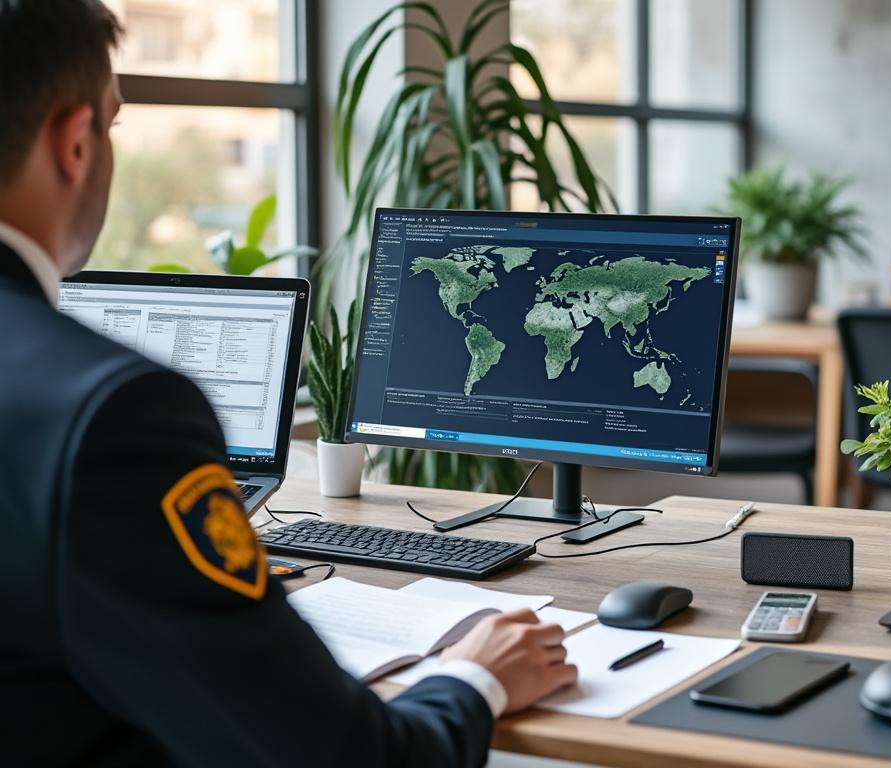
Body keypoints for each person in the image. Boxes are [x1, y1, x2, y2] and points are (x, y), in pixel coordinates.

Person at [0, 2, 577, 766]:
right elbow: (342, 755)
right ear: (75, 143)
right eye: (113, 124)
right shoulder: (113, 414)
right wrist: (476, 677)